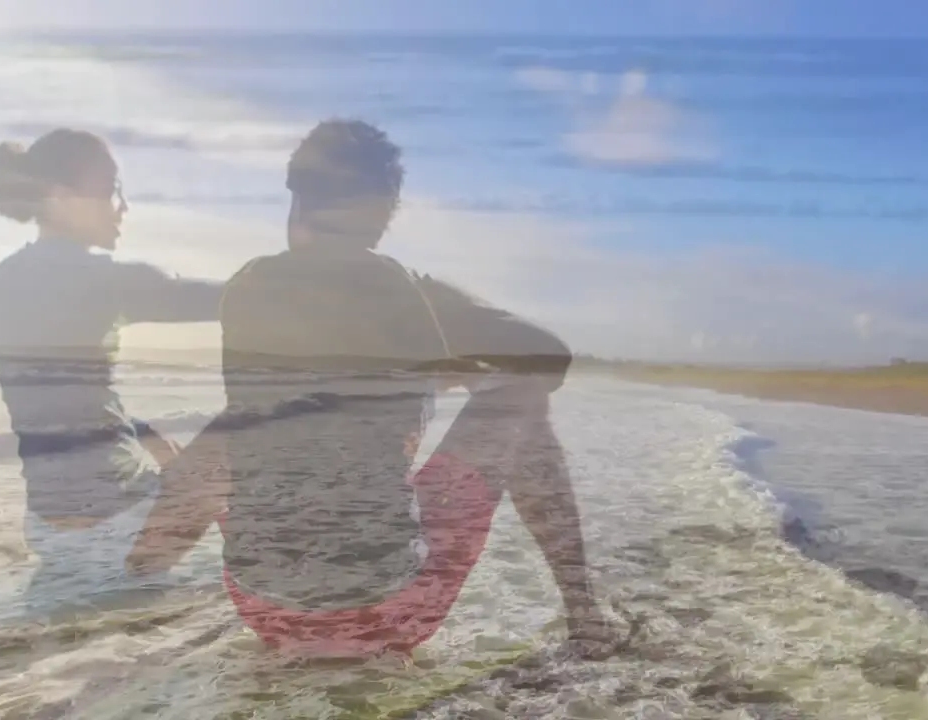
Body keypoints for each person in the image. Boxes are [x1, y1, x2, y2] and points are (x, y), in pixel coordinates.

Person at [131, 118, 620, 659]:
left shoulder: (245, 289)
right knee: (521, 395)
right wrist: (447, 335)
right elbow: (549, 357)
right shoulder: (402, 289)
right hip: (385, 614)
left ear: (295, 190)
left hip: (261, 607)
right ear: (385, 204)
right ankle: (586, 617)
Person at [0, 128, 226, 603]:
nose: (122, 206)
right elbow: (225, 297)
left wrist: (145, 434)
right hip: (122, 535)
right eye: (112, 189)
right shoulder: (100, 280)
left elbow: (57, 396)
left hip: (48, 533)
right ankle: (281, 577)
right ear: (60, 197)